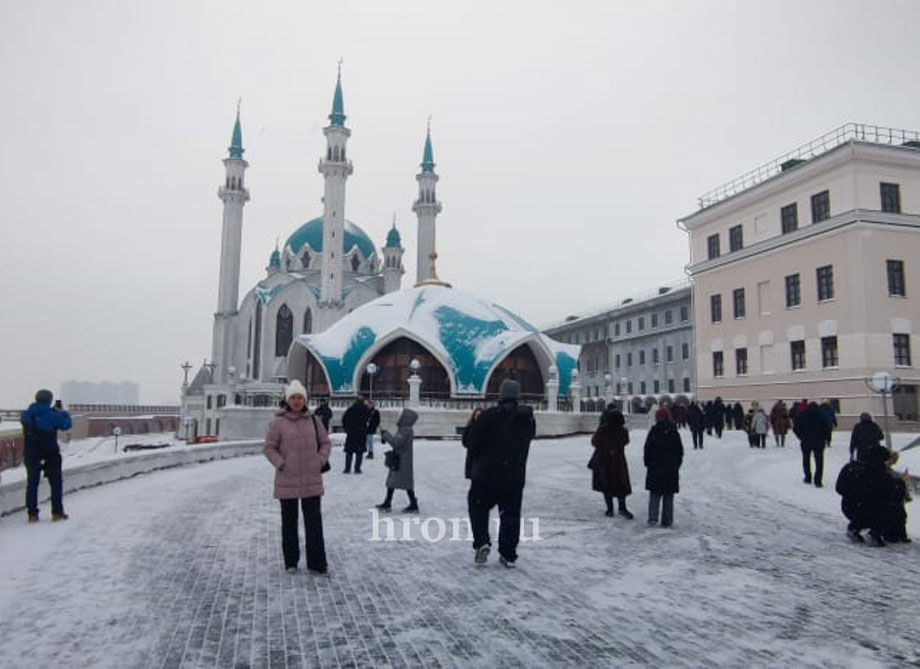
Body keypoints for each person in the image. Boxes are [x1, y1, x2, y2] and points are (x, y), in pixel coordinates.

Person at [465, 379, 536, 567]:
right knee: (510, 515)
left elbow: (472, 442)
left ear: (501, 394)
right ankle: (508, 553)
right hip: (514, 476)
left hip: (486, 475)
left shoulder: (489, 416)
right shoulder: (527, 418)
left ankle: (481, 541)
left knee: (478, 508)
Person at [263, 380, 331, 574]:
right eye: (293, 397)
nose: (296, 401)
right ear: (287, 399)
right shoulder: (278, 422)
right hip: (287, 480)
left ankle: (317, 563)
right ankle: (291, 561)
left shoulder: (313, 420)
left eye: (300, 397)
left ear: (305, 399)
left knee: (314, 523)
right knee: (289, 523)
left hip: (311, 478)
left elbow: (325, 443)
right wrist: (281, 463)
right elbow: (269, 448)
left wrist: (319, 460)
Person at [20, 389, 72, 522]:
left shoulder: (26, 414)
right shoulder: (53, 415)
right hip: (50, 452)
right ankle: (57, 513)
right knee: (56, 483)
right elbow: (66, 425)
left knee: (32, 483)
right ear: (49, 400)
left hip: (31, 453)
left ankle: (32, 515)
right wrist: (63, 413)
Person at [590, 408, 633, 518]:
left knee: (606, 485)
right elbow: (626, 441)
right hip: (618, 462)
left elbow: (594, 442)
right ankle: (622, 508)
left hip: (604, 461)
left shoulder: (602, 430)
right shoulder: (623, 431)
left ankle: (610, 509)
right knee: (621, 485)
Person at [644, 407, 684, 527]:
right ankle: (667, 520)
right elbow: (679, 451)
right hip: (670, 469)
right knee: (668, 495)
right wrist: (676, 464)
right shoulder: (673, 431)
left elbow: (647, 449)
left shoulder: (654, 431)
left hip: (655, 467)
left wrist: (648, 463)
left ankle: (652, 517)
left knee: (655, 494)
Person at [376, 408, 419, 512]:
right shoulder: (406, 429)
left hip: (402, 460)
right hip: (402, 459)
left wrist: (385, 434)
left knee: (399, 482)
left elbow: (396, 443)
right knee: (396, 482)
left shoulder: (405, 430)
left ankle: (411, 504)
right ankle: (389, 502)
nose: (398, 417)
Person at [793, 401, 830, 487]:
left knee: (806, 459)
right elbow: (827, 428)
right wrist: (826, 438)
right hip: (819, 441)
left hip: (806, 441)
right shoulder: (821, 415)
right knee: (819, 461)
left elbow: (796, 428)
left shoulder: (802, 415)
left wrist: (801, 436)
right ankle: (818, 480)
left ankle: (808, 477)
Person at [341, 395, 369, 474]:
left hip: (351, 433)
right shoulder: (365, 409)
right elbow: (368, 419)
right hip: (361, 433)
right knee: (359, 452)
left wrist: (347, 429)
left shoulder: (350, 409)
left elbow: (344, 420)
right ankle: (357, 468)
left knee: (349, 452)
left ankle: (347, 468)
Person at [461, 407, 484, 480]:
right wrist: (471, 445)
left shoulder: (487, 428)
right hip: (472, 456)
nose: (477, 417)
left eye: (480, 415)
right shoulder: (470, 427)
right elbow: (464, 441)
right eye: (476, 415)